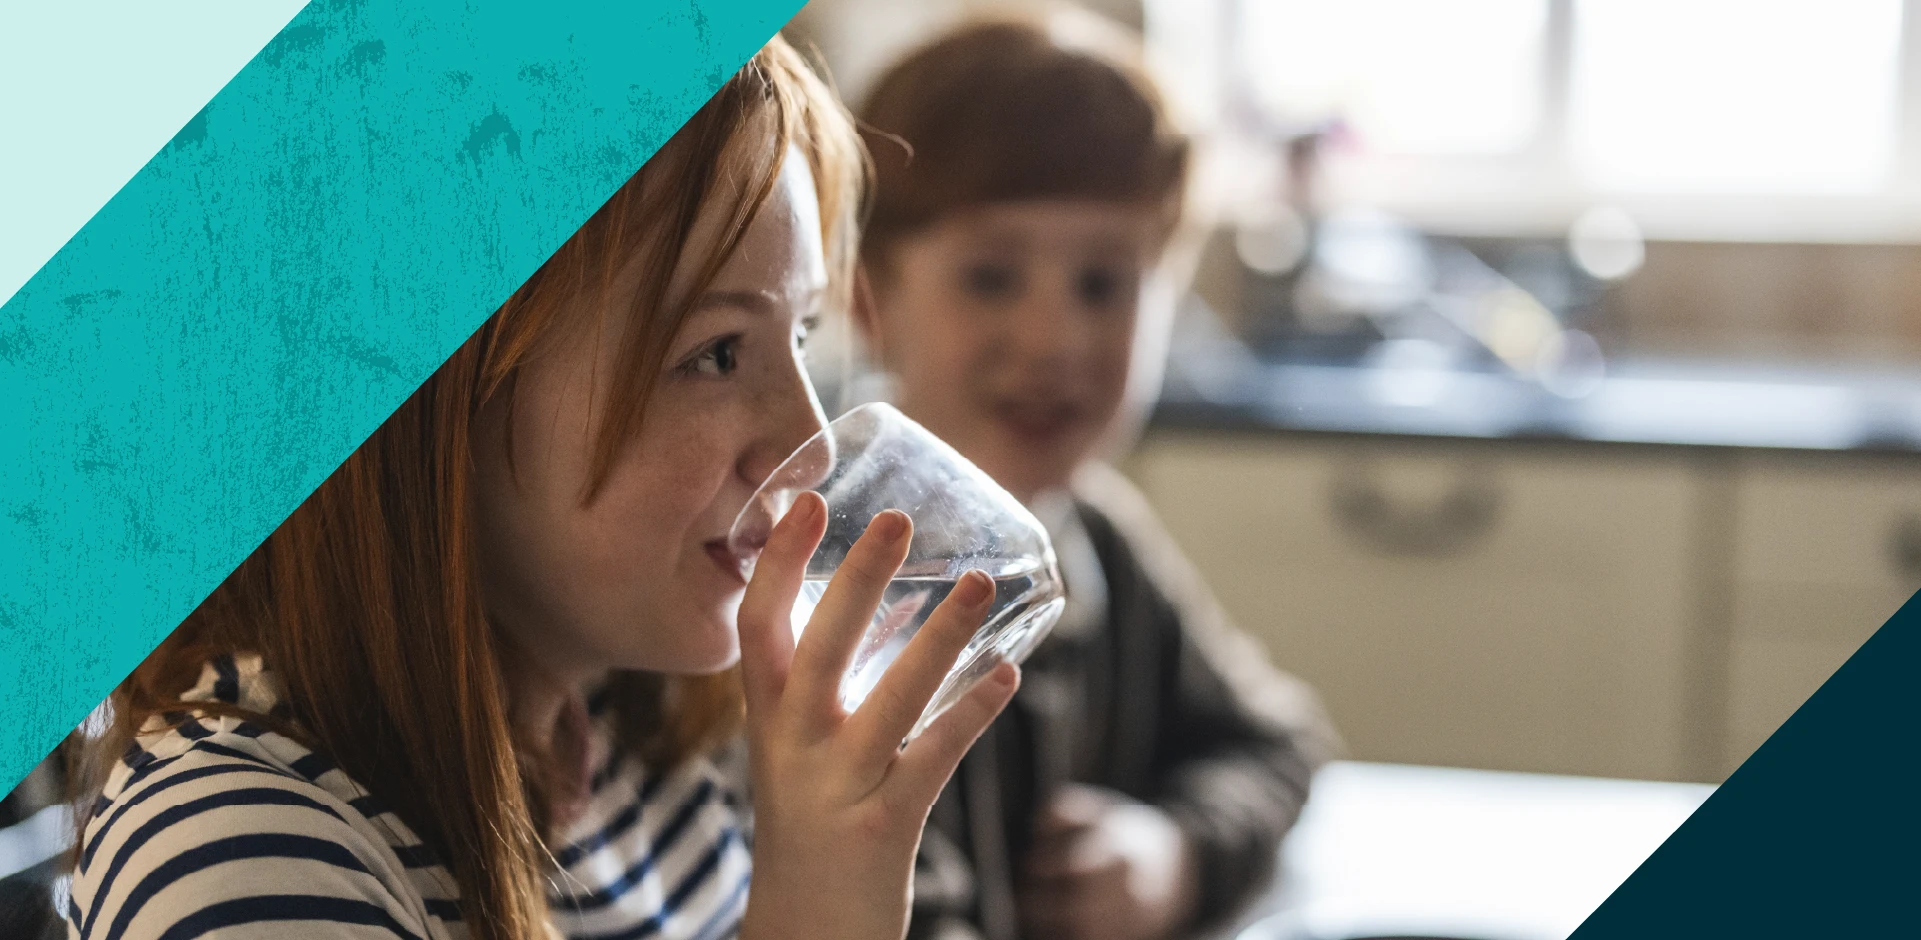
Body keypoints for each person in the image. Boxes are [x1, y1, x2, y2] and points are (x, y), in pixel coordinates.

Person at [65, 37, 1019, 940]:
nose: (810, 444)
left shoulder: (627, 736)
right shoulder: (243, 860)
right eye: (714, 353)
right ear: (428, 407)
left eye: (801, 335)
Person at [852, 15, 1342, 940]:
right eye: (991, 278)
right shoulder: (845, 593)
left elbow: (1277, 744)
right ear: (867, 300)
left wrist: (1174, 854)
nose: (1053, 341)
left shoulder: (1096, 535)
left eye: (1103, 286)